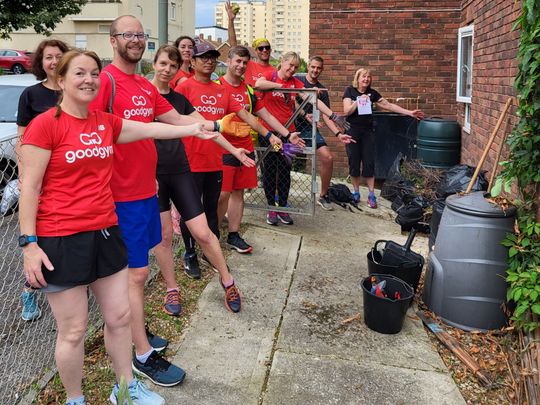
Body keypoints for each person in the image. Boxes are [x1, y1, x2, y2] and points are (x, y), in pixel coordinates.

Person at [19, 49, 217, 405]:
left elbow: (149, 127)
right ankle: (75, 399)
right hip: (61, 238)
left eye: (94, 73)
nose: (89, 79)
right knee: (75, 330)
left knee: (120, 316)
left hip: (106, 230)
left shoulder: (103, 122)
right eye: (79, 73)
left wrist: (193, 128)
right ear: (61, 81)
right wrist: (29, 244)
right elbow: (29, 188)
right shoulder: (45, 124)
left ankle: (125, 390)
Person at [89, 15, 252, 388]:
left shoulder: (145, 89)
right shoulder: (107, 83)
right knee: (134, 275)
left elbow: (174, 118)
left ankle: (138, 335)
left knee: (140, 272)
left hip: (146, 190)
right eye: (128, 34)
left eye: (140, 34)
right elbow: (92, 129)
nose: (135, 39)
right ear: (113, 40)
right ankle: (142, 355)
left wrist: (206, 126)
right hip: (119, 195)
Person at [150, 44, 249, 315]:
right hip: (153, 176)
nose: (167, 69)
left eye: (172, 65)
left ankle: (227, 280)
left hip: (181, 171)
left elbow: (207, 126)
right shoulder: (142, 96)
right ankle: (172, 290)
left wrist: (233, 149)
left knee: (204, 231)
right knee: (165, 236)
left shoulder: (179, 100)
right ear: (153, 64)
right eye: (162, 64)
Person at [174, 41, 292, 265]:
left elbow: (250, 117)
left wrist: (271, 135)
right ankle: (191, 253)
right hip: (193, 158)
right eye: (204, 57)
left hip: (222, 156)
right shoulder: (184, 87)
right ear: (194, 61)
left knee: (213, 205)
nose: (209, 61)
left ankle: (213, 244)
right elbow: (171, 117)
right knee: (193, 207)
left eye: (212, 57)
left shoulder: (222, 90)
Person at [216, 45, 303, 253]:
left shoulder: (248, 90)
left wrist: (287, 134)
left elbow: (266, 116)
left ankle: (234, 235)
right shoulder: (216, 85)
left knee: (238, 192)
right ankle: (212, 233)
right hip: (223, 147)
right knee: (221, 195)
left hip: (245, 147)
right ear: (228, 62)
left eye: (245, 62)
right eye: (237, 61)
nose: (241, 65)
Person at [255, 51, 349, 225]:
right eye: (289, 65)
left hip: (289, 134)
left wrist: (333, 115)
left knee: (284, 171)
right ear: (282, 62)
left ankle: (283, 207)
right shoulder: (271, 75)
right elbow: (258, 84)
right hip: (269, 133)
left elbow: (313, 100)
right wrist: (281, 86)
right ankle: (271, 208)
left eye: (296, 67)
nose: (292, 69)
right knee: (270, 170)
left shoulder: (295, 83)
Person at [16, 38, 70, 322]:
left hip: (69, 177)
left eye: (58, 56)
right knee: (37, 235)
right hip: (41, 177)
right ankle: (30, 289)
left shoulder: (74, 89)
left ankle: (72, 285)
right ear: (41, 62)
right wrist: (25, 173)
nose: (53, 61)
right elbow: (22, 138)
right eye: (48, 57)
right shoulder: (31, 95)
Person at [342, 68, 425, 208]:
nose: (366, 79)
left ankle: (371, 195)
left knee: (369, 163)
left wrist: (409, 113)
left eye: (369, 77)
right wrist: (358, 101)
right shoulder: (349, 91)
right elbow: (346, 111)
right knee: (354, 162)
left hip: (368, 132)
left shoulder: (372, 93)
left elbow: (388, 105)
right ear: (358, 78)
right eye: (363, 76)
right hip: (352, 131)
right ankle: (355, 192)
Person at [294, 56, 354, 211]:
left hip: (309, 130)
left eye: (319, 68)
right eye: (313, 67)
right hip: (288, 127)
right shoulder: (297, 79)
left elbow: (326, 115)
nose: (315, 70)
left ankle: (323, 195)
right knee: (282, 160)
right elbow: (288, 100)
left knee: (328, 158)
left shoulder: (322, 90)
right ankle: (277, 197)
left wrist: (338, 134)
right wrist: (302, 114)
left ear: (322, 69)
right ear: (308, 66)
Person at [225, 0, 275, 88]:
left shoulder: (274, 71)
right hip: (250, 100)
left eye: (267, 47)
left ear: (270, 50)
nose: (264, 50)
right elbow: (234, 48)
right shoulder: (248, 65)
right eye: (261, 48)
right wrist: (231, 21)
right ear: (256, 51)